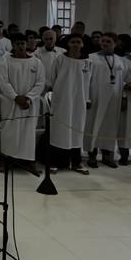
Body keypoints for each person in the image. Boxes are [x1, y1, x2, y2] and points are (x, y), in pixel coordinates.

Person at [0, 34, 46, 173]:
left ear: (27, 44)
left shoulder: (36, 62)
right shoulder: (5, 60)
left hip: (29, 104)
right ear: (13, 45)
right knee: (8, 132)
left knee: (28, 133)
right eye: (17, 43)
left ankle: (29, 161)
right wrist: (16, 97)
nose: (20, 46)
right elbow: (3, 81)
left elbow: (40, 83)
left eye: (22, 43)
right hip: (10, 102)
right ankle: (5, 160)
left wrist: (28, 97)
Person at [49, 35, 92, 174]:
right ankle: (54, 162)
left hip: (80, 102)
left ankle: (76, 163)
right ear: (68, 44)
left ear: (82, 44)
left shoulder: (88, 62)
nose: (75, 44)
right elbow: (52, 79)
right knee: (59, 131)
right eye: (73, 42)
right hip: (62, 101)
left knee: (77, 131)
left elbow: (90, 83)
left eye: (78, 42)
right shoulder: (60, 59)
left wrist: (88, 99)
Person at [85, 33, 126, 168]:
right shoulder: (92, 58)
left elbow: (123, 81)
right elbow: (86, 80)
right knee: (93, 124)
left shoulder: (120, 60)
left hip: (114, 100)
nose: (104, 43)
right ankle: (92, 155)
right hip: (96, 97)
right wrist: (87, 97)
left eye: (108, 41)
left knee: (110, 127)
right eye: (102, 41)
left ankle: (107, 156)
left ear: (115, 43)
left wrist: (124, 97)